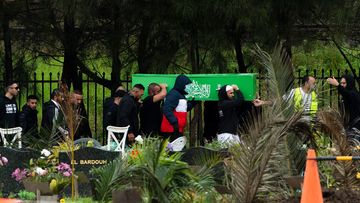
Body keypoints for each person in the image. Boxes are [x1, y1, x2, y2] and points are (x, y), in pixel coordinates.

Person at [161, 74, 196, 142]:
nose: (187, 88)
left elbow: (183, 109)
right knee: (174, 151)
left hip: (176, 129)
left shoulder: (179, 95)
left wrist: (193, 103)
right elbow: (166, 109)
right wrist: (174, 122)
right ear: (181, 84)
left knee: (178, 150)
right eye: (186, 85)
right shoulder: (174, 94)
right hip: (171, 129)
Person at [327, 75, 360, 140]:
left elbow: (347, 94)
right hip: (349, 126)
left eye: (344, 83)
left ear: (349, 83)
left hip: (357, 126)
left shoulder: (354, 94)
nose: (342, 85)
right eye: (341, 83)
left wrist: (337, 85)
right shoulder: (345, 96)